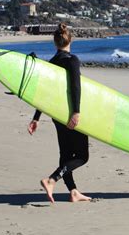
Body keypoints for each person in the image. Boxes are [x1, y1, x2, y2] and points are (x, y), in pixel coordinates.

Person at [27, 23, 91, 203]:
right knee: (81, 156)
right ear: (70, 40)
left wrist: (36, 118)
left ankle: (73, 191)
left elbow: (44, 93)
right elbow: (75, 87)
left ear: (55, 43)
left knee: (65, 155)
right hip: (71, 114)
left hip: (56, 115)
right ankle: (51, 180)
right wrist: (76, 112)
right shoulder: (72, 60)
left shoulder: (51, 63)